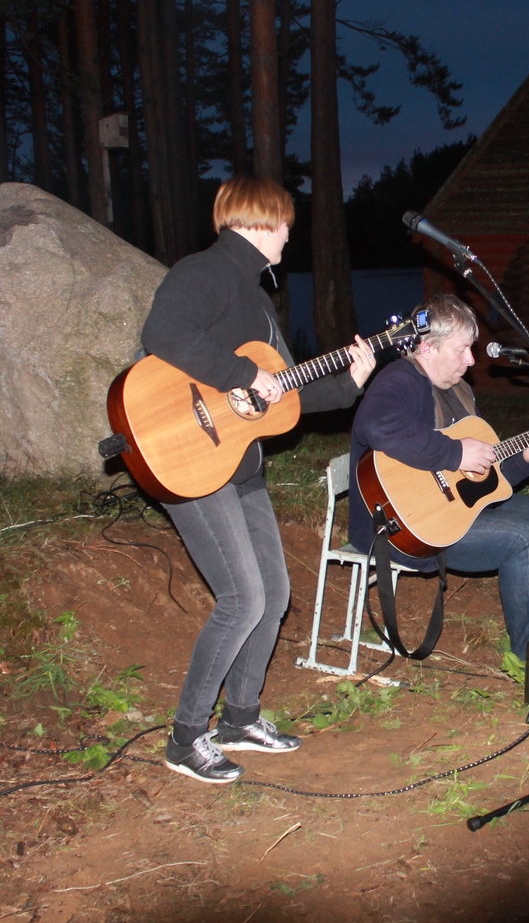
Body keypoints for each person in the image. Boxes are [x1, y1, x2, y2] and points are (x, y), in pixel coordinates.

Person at [141, 175, 377, 783]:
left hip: (240, 466)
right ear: (260, 222)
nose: (289, 237)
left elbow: (285, 394)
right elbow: (163, 334)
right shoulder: (206, 272)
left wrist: (351, 382)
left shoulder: (257, 300)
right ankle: (185, 738)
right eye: (286, 225)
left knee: (272, 595)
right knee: (243, 598)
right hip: (189, 457)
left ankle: (240, 719)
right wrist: (242, 374)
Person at [348, 294, 529, 680]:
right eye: (461, 349)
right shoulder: (400, 379)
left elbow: (485, 479)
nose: (471, 360)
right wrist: (454, 453)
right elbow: (376, 425)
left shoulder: (457, 390)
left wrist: (525, 458)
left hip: (448, 512)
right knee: (526, 537)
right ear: (427, 348)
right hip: (404, 527)